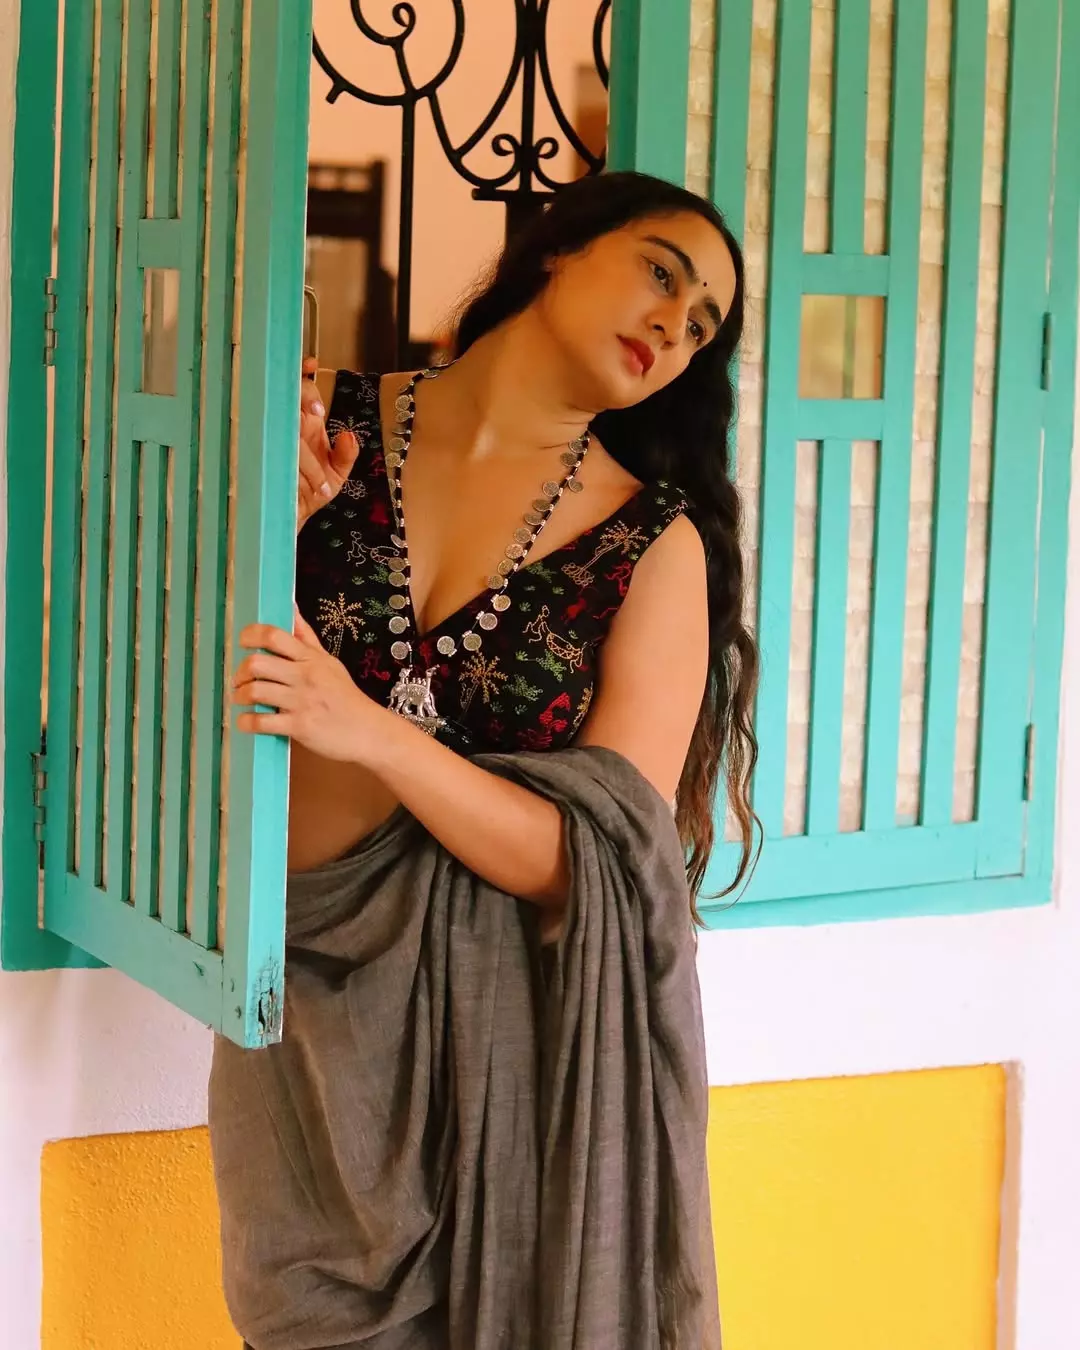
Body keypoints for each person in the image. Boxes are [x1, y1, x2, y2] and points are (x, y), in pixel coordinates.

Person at [210, 170, 758, 1350]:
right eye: (661, 273)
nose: (674, 325)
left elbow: (597, 862)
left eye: (702, 324)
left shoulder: (651, 545)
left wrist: (370, 730)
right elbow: (170, 668)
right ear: (560, 247)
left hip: (507, 1066)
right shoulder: (321, 426)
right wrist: (270, 530)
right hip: (301, 1032)